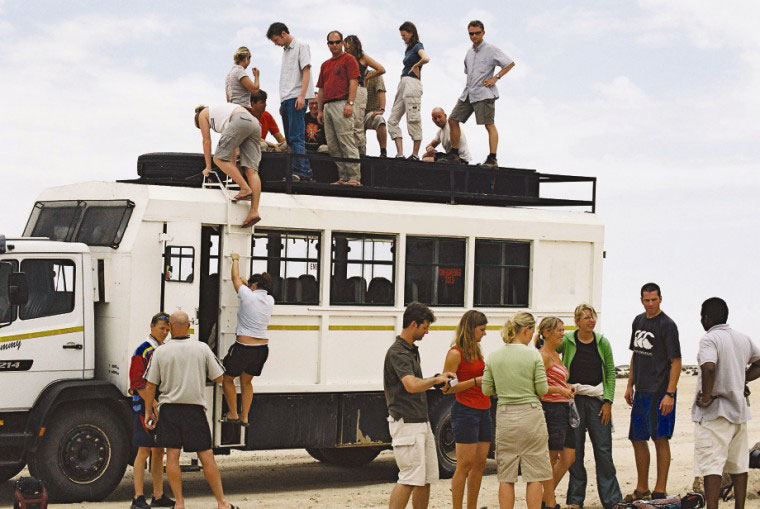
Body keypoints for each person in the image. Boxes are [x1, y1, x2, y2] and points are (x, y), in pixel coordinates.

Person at [143, 311, 238, 509]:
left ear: (170, 326)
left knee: (173, 455)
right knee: (206, 455)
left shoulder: (160, 351)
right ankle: (222, 502)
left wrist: (148, 413)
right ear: (188, 326)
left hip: (169, 410)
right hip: (194, 409)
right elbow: (220, 377)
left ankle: (179, 503)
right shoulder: (201, 348)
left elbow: (150, 385)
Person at [384, 302, 454, 509]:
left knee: (425, 479)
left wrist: (436, 379)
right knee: (408, 478)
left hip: (421, 422)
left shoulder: (411, 350)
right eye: (425, 327)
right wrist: (435, 380)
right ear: (413, 324)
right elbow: (411, 385)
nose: (427, 332)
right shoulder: (398, 352)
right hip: (407, 423)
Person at [693, 297, 760, 509]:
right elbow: (759, 363)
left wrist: (706, 396)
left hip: (715, 413)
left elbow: (709, 367)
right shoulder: (742, 338)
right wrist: (742, 380)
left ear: (707, 317)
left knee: (712, 466)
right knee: (739, 465)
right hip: (738, 411)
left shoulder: (709, 339)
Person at [481, 312, 551, 509]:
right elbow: (542, 390)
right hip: (531, 416)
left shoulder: (494, 356)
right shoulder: (533, 355)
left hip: (505, 416)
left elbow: (486, 389)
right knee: (535, 474)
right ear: (526, 330)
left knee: (506, 475)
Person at [560, 304, 622, 509]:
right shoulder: (568, 340)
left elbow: (611, 374)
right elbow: (548, 348)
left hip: (598, 400)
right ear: (577, 321)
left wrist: (608, 402)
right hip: (575, 401)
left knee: (603, 450)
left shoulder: (602, 342)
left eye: (593, 316)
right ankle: (575, 499)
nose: (591, 320)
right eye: (586, 317)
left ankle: (612, 499)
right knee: (575, 451)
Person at [624, 283, 682, 502]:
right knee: (637, 438)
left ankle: (660, 489)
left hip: (661, 391)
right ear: (641, 300)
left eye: (653, 300)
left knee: (660, 438)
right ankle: (642, 487)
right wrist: (630, 384)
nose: (650, 304)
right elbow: (635, 355)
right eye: (646, 300)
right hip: (641, 390)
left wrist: (670, 393)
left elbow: (676, 361)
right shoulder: (638, 321)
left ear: (660, 299)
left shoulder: (667, 325)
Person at [445, 20, 514, 169]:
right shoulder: (469, 53)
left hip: (484, 93)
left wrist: (496, 77)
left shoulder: (491, 49)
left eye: (477, 33)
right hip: (469, 92)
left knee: (489, 125)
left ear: (483, 33)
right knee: (452, 120)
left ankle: (493, 158)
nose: (474, 36)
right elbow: (468, 72)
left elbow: (509, 63)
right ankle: (454, 154)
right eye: (471, 34)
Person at [441, 310, 491, 509]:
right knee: (464, 464)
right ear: (470, 329)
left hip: (484, 408)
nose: (484, 333)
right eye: (482, 329)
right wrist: (475, 381)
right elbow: (447, 388)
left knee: (480, 464)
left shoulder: (477, 350)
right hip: (466, 410)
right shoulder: (455, 353)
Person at [128, 312, 175, 509]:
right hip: (144, 407)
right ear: (151, 326)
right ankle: (138, 497)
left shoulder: (164, 349)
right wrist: (152, 404)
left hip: (161, 405)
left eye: (167, 329)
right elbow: (137, 382)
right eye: (161, 328)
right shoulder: (143, 350)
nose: (164, 332)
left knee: (159, 451)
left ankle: (158, 495)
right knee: (144, 450)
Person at [221, 253, 274, 426]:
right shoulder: (269, 299)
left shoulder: (247, 294)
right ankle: (245, 417)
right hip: (262, 349)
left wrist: (236, 260)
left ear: (252, 286)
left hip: (244, 347)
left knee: (227, 379)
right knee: (246, 382)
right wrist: (247, 284)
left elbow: (234, 277)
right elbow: (248, 289)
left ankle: (233, 414)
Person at [194, 103, 262, 228]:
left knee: (218, 159)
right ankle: (254, 211)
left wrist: (208, 166)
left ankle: (245, 189)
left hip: (240, 121)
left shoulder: (203, 114)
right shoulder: (222, 115)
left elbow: (206, 141)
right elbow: (233, 151)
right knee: (251, 171)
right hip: (254, 123)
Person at [536, 317, 576, 509]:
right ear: (546, 333)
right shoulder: (543, 356)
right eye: (558, 330)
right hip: (552, 410)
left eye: (563, 330)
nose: (562, 333)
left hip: (564, 408)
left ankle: (546, 498)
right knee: (551, 458)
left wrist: (567, 387)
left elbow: (557, 381)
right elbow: (539, 388)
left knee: (569, 456)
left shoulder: (556, 354)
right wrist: (561, 390)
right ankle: (549, 502)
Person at [267, 22, 314, 181]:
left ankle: (302, 172)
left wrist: (302, 96)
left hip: (296, 97)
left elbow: (306, 71)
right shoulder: (285, 52)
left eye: (276, 40)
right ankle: (300, 170)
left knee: (296, 137)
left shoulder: (301, 46)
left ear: (283, 34)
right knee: (289, 139)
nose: (276, 44)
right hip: (286, 99)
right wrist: (282, 102)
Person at [316, 30, 362, 186]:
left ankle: (355, 177)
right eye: (331, 42)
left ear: (342, 43)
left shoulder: (349, 59)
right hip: (328, 105)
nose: (334, 45)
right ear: (328, 44)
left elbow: (354, 81)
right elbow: (321, 89)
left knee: (346, 141)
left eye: (337, 42)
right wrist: (320, 110)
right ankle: (343, 177)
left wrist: (350, 103)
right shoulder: (325, 65)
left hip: (342, 103)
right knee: (333, 145)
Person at [387, 21, 430, 159]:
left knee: (413, 118)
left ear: (411, 33)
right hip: (403, 82)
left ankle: (415, 154)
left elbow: (426, 58)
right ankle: (400, 153)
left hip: (412, 83)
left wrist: (417, 65)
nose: (403, 38)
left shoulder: (418, 45)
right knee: (392, 120)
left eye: (404, 35)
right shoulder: (408, 49)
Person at [343, 35, 385, 156]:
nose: (346, 47)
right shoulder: (344, 58)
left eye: (348, 44)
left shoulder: (362, 57)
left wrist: (366, 77)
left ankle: (361, 154)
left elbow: (381, 69)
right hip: (347, 91)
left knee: (357, 123)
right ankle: (350, 153)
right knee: (347, 123)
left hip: (359, 90)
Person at [364, 74, 388, 157]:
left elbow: (381, 91)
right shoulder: (351, 73)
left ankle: (383, 151)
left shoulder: (374, 75)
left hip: (371, 112)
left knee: (379, 119)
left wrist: (381, 109)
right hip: (355, 113)